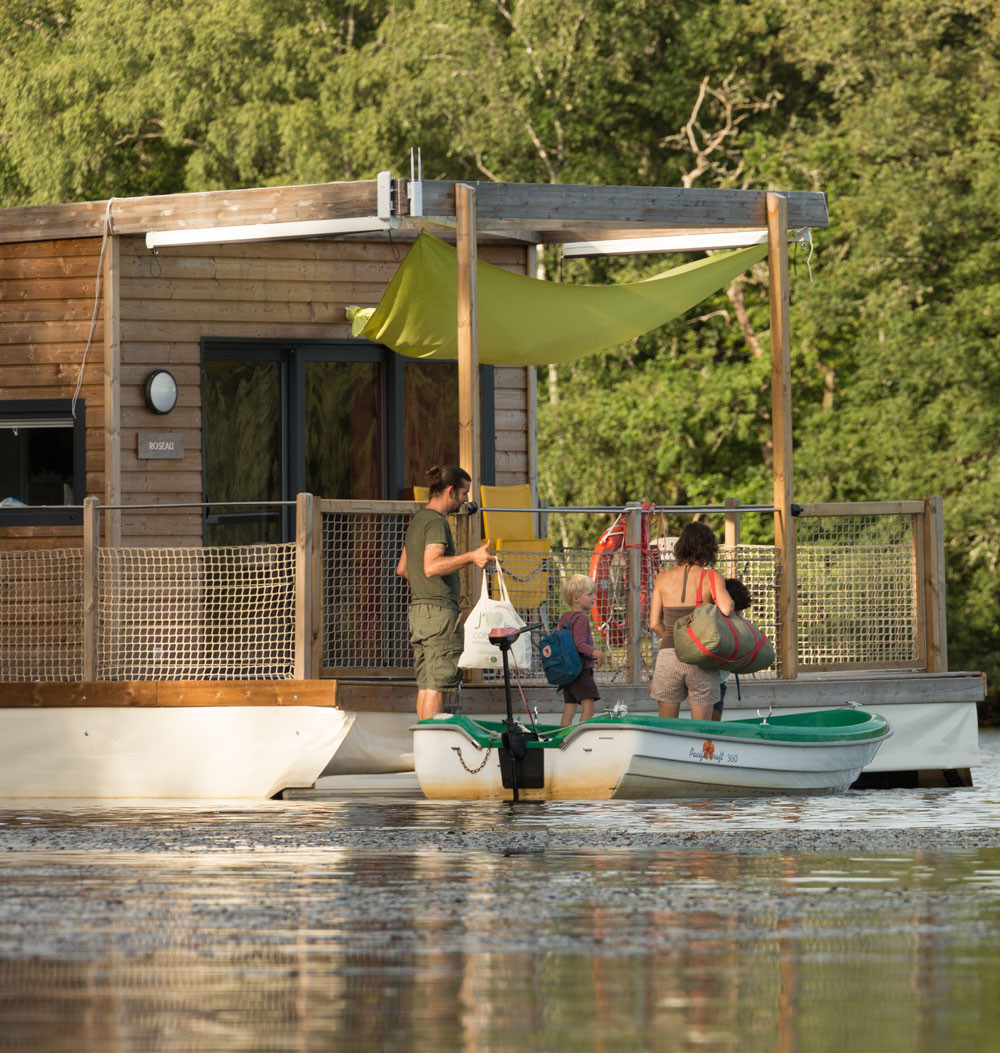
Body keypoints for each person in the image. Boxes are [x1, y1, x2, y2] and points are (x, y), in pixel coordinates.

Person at [396, 465, 492, 720]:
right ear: (450, 491)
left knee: (427, 686)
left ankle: (424, 741)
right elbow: (431, 566)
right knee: (438, 686)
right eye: (464, 493)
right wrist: (471, 557)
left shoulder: (418, 520)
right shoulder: (437, 523)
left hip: (419, 614)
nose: (465, 500)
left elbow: (403, 568)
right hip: (439, 616)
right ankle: (435, 742)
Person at [649, 521, 733, 721]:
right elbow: (726, 608)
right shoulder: (711, 576)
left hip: (669, 655)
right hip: (700, 658)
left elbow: (654, 624)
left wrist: (678, 639)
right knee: (702, 730)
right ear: (709, 547)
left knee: (667, 728)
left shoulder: (662, 578)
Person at [555, 574, 604, 726]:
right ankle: (577, 737)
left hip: (568, 671)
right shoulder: (581, 618)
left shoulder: (565, 618)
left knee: (569, 712)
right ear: (576, 598)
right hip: (581, 671)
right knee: (588, 710)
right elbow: (579, 644)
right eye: (589, 594)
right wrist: (596, 652)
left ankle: (561, 737)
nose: (594, 597)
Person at [713, 577, 754, 721]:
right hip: (710, 681)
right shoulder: (715, 622)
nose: (737, 616)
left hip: (719, 682)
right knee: (708, 728)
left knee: (711, 728)